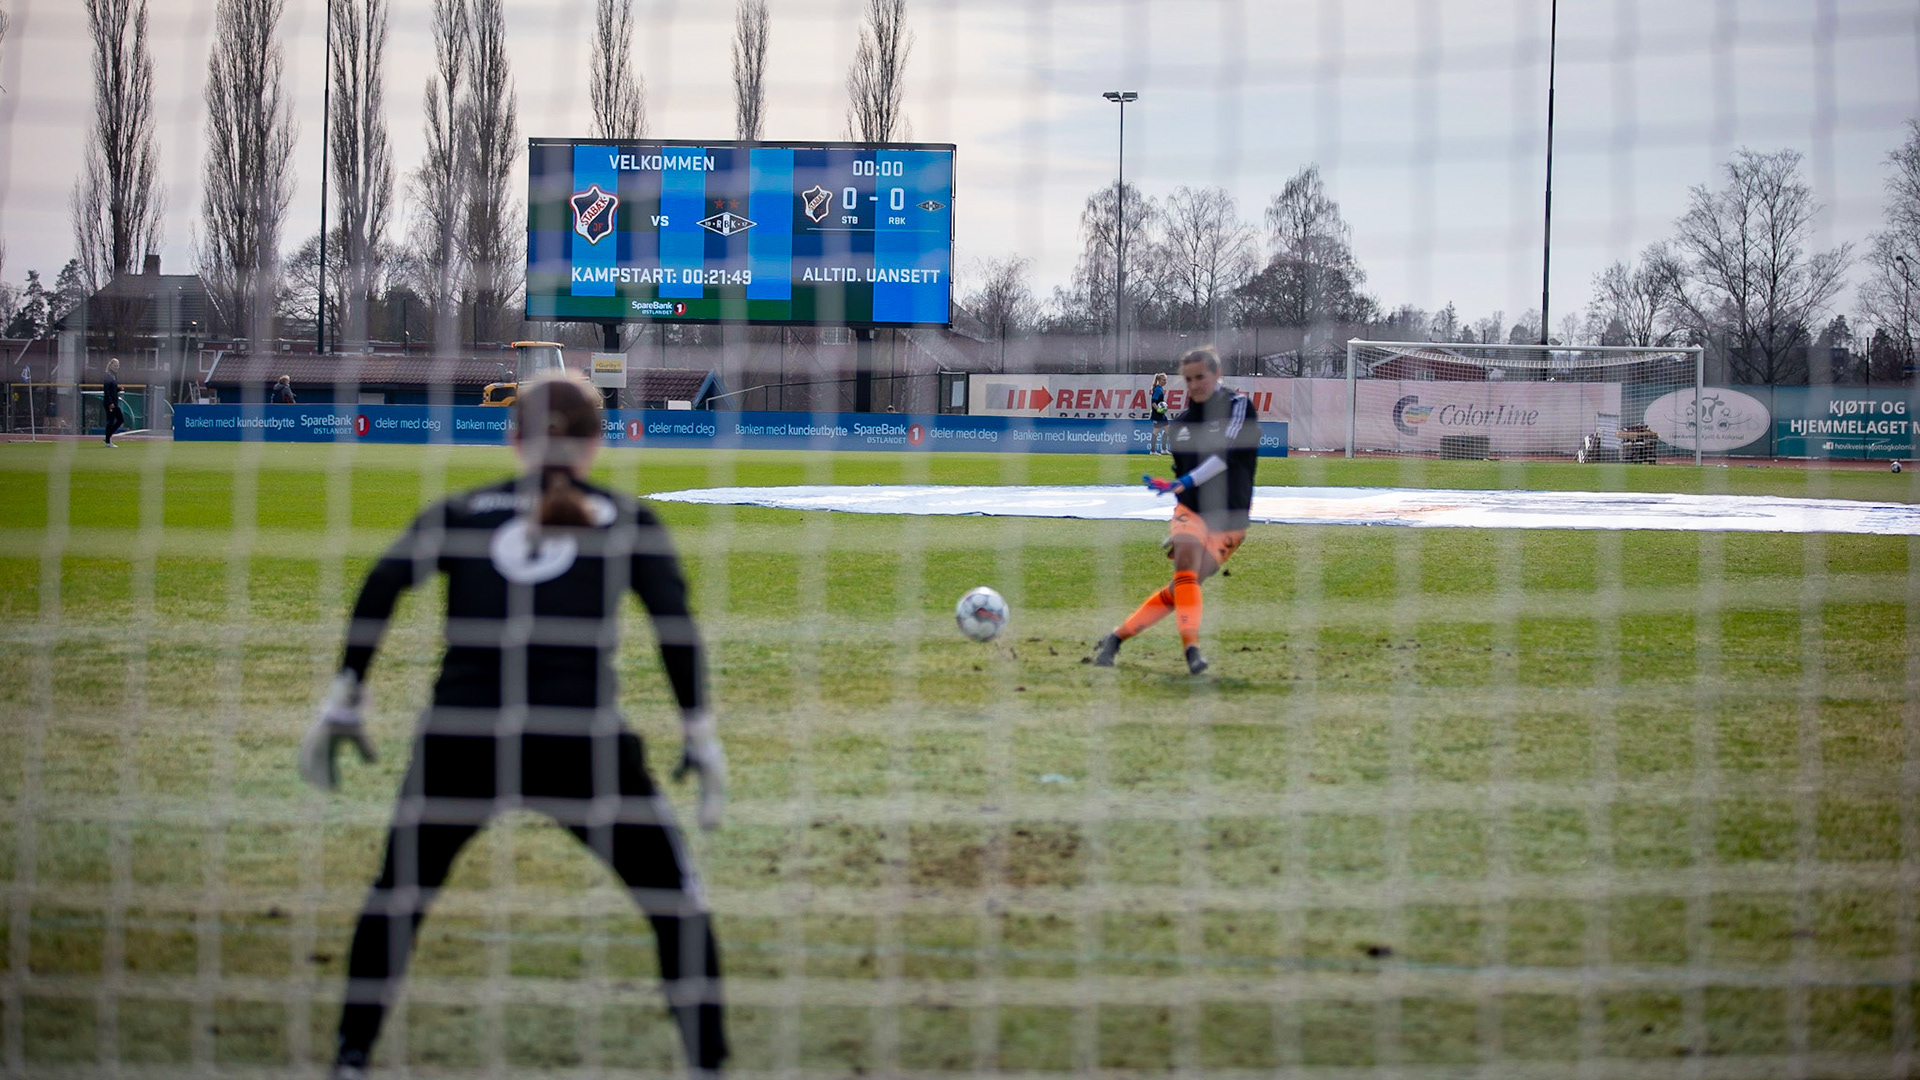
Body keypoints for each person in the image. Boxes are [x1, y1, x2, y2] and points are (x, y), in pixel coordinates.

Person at [300, 375, 730, 1078]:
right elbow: (675, 630)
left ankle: (350, 1058)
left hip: (464, 734)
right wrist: (699, 735)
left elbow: (381, 583)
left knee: (397, 895)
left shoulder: (463, 511)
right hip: (580, 741)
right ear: (597, 442)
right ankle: (707, 1066)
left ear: (513, 436)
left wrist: (346, 697)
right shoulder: (625, 520)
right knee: (675, 902)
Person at [1093, 347, 1261, 675]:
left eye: (1201, 377)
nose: (1195, 384)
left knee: (1184, 588)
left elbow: (1223, 456)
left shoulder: (1238, 407)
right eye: (1188, 379)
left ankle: (1115, 638)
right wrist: (1179, 489)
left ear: (1216, 374)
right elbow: (1189, 484)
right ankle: (1192, 651)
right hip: (1192, 510)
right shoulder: (1182, 425)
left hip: (1231, 518)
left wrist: (1181, 481)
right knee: (1185, 569)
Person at [102, 357, 124, 447]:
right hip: (110, 403)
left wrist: (118, 389)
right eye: (115, 365)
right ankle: (108, 441)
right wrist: (110, 403)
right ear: (111, 365)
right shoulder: (108, 376)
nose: (116, 367)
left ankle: (108, 436)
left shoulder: (114, 375)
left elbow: (112, 390)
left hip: (114, 402)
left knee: (119, 419)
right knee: (112, 421)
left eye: (117, 366)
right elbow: (106, 391)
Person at [1148, 372, 1170, 454]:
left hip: (1161, 414)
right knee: (1156, 431)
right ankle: (1152, 451)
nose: (1165, 381)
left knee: (1167, 429)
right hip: (1157, 414)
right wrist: (1158, 410)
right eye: (1164, 380)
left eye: (1166, 380)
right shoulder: (1157, 389)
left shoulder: (1160, 389)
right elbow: (1153, 402)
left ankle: (1164, 450)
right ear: (1159, 380)